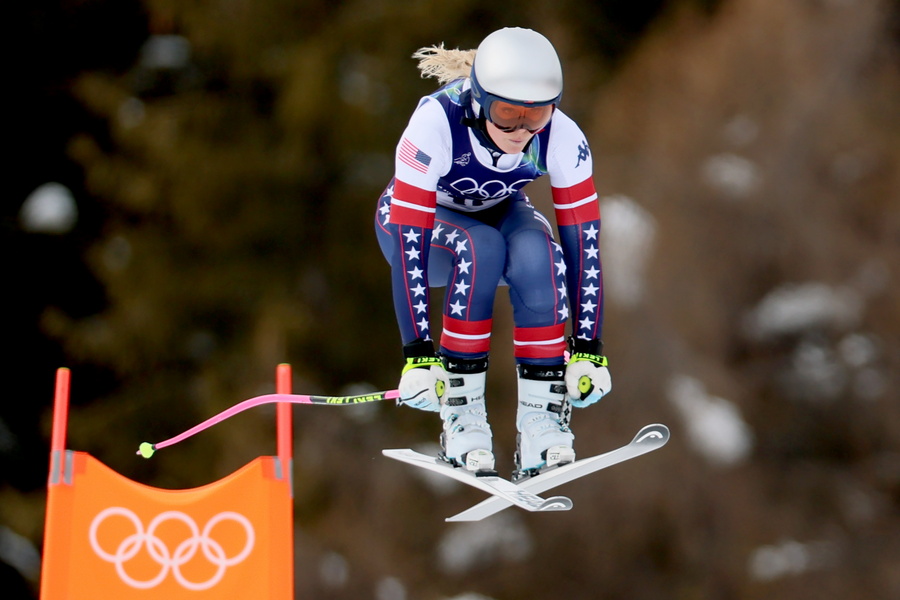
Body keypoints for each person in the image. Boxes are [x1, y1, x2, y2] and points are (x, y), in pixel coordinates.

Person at [375, 27, 611, 480]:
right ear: (479, 99)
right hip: (419, 229)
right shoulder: (435, 122)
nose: (521, 130)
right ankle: (462, 416)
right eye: (506, 113)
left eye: (536, 115)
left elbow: (585, 242)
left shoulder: (561, 135)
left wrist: (588, 350)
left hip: (498, 211)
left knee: (536, 250)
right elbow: (409, 242)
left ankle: (542, 421)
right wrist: (418, 355)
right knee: (480, 246)